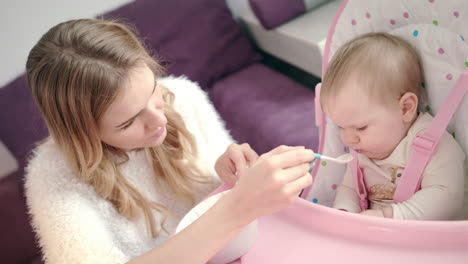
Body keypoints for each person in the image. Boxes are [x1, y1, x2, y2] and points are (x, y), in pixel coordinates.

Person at [24, 18, 316, 264]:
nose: (159, 121)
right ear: (81, 132)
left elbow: (213, 191)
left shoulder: (182, 95)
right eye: (128, 122)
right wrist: (238, 206)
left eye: (153, 90)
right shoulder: (53, 176)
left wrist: (224, 171)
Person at [320, 32, 465, 220]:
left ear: (405, 108)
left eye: (361, 127)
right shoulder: (361, 149)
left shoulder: (432, 143)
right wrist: (344, 212)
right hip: (381, 235)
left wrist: (390, 216)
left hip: (438, 238)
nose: (348, 138)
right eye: (340, 127)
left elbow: (446, 196)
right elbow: (350, 188)